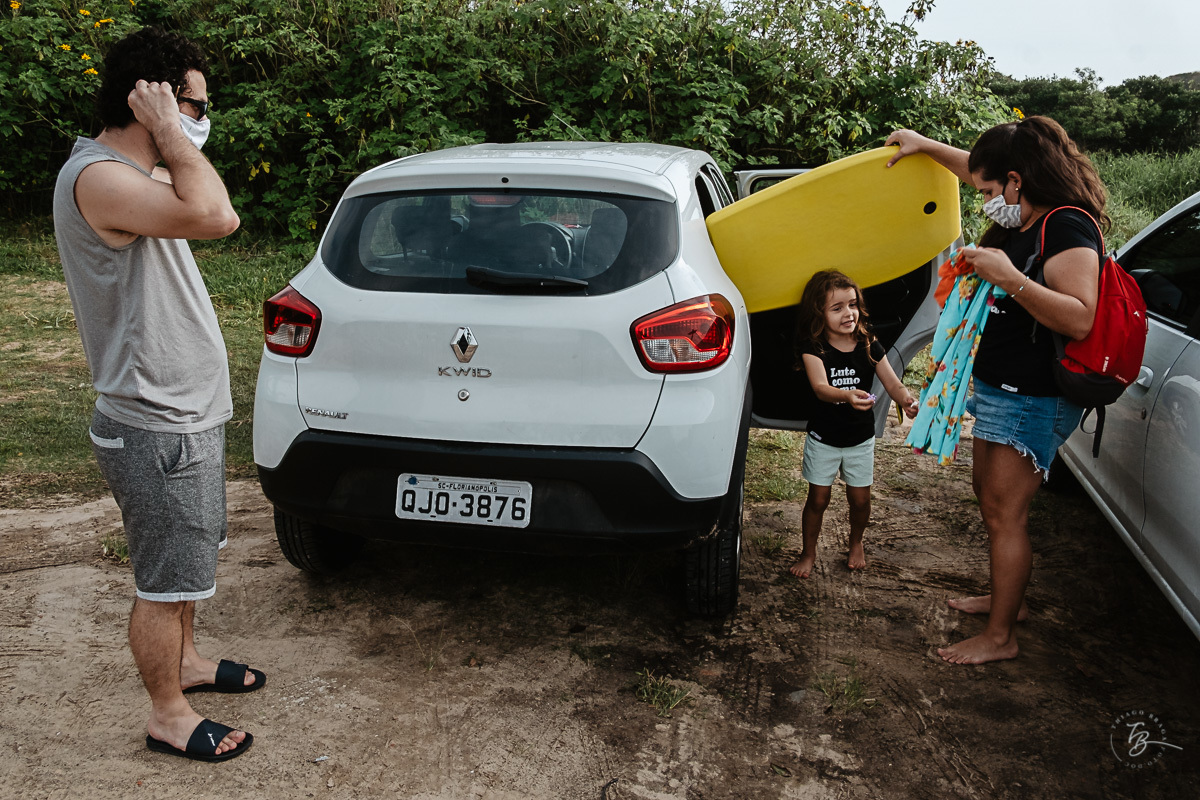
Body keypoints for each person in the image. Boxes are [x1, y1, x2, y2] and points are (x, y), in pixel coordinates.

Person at [52, 26, 262, 761]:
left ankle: (191, 664)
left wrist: (172, 136)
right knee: (165, 577)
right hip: (155, 420)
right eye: (196, 103)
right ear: (155, 101)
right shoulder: (100, 178)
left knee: (190, 562)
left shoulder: (140, 178)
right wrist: (173, 131)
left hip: (184, 412)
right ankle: (167, 714)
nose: (204, 118)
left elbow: (197, 194)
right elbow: (218, 216)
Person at [885, 117, 1106, 665]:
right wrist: (922, 143)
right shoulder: (1025, 210)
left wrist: (1010, 278)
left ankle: (1002, 636)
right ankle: (1008, 602)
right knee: (991, 501)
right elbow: (975, 167)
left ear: (1017, 180)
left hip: (1032, 395)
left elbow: (1080, 318)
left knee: (1006, 513)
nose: (983, 201)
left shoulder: (1068, 226)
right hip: (1003, 388)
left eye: (988, 192)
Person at [789, 270, 919, 579]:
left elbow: (892, 381)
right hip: (824, 438)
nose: (849, 313)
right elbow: (821, 388)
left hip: (860, 439)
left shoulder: (868, 342)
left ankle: (856, 541)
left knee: (860, 500)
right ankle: (808, 552)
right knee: (818, 499)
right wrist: (846, 396)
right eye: (837, 308)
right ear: (818, 313)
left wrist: (906, 400)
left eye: (852, 304)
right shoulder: (813, 348)